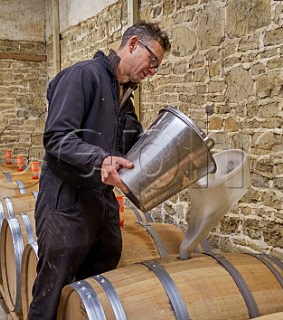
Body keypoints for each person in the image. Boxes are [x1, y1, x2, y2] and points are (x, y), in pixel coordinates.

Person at [27, 21, 171, 320]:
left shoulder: (124, 95)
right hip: (66, 201)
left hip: (101, 201)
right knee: (53, 287)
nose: (153, 70)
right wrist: (100, 159)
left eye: (158, 66)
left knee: (99, 281)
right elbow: (57, 137)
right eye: (152, 61)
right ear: (132, 44)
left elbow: (131, 147)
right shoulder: (82, 76)